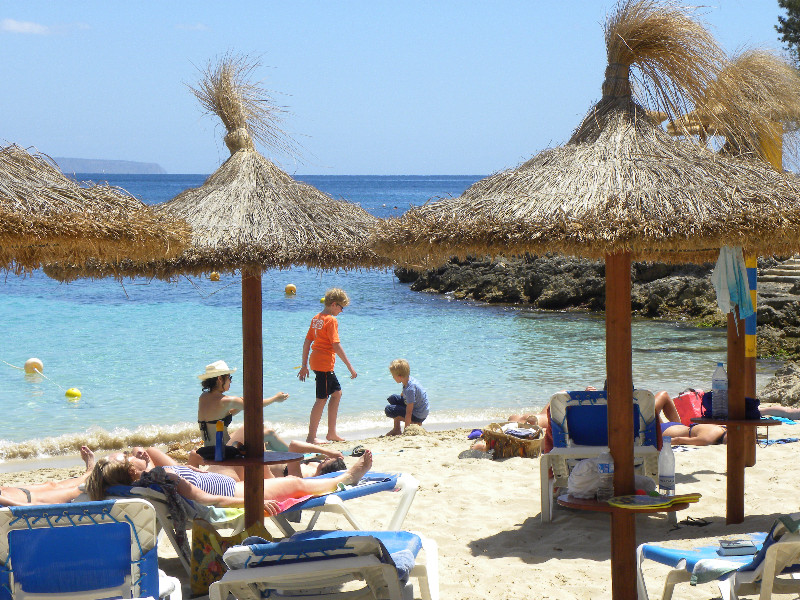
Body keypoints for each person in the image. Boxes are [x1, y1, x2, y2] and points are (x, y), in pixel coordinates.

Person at [86, 447, 372, 516]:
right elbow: (207, 499)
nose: (133, 452)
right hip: (233, 490)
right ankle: (346, 477)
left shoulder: (152, 480)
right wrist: (251, 503)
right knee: (294, 485)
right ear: (132, 472)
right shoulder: (164, 478)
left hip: (219, 481)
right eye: (128, 457)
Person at [190, 360, 290, 466]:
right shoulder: (226, 401)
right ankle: (295, 456)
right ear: (220, 379)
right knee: (269, 433)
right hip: (224, 451)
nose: (230, 381)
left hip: (209, 450)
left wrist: (240, 406)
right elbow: (256, 405)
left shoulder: (203, 397)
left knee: (263, 443)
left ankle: (284, 458)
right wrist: (275, 398)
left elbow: (219, 416)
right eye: (229, 377)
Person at [298, 288, 357, 444]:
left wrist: (304, 365)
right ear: (333, 304)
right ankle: (311, 437)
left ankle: (331, 433)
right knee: (321, 399)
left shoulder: (316, 318)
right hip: (324, 364)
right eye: (341, 307)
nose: (341, 311)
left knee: (336, 393)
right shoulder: (331, 320)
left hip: (316, 361)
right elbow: (336, 345)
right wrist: (350, 367)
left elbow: (307, 342)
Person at [0, 446, 95, 506]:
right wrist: (40, 507)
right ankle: (90, 473)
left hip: (14, 492)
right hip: (28, 500)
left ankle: (89, 473)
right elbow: (21, 507)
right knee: (77, 490)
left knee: (51, 485)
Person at [654, 390, 727, 445]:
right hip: (677, 426)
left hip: (666, 431)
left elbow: (678, 440)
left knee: (662, 395)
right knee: (663, 396)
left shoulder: (708, 438)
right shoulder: (722, 429)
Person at [384, 359, 429, 436]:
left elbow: (409, 412)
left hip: (418, 414)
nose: (393, 377)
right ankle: (397, 429)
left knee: (389, 410)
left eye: (393, 376)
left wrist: (407, 430)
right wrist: (398, 403)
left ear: (399, 376)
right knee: (393, 398)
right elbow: (403, 394)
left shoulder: (410, 389)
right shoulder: (407, 379)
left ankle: (415, 423)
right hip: (419, 408)